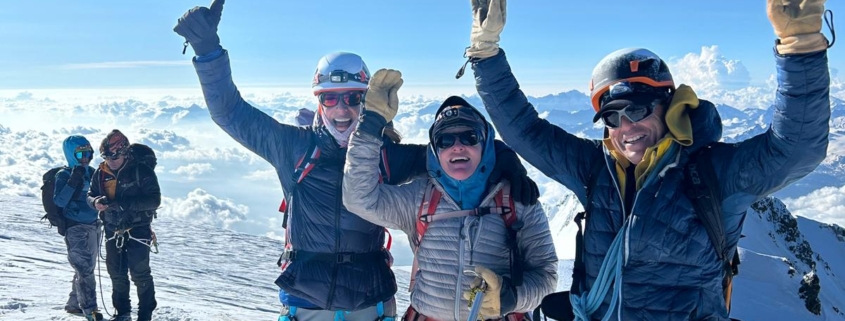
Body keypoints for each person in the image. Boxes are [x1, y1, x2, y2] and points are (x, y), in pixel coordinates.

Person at [461, 0, 832, 320]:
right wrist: (485, 52)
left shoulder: (714, 173)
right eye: (612, 117)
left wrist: (800, 47)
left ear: (668, 108)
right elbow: (524, 131)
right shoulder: (597, 168)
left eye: (637, 109)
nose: (626, 127)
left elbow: (796, 148)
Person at [173, 1, 539, 320]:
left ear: (366, 101)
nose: (343, 109)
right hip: (307, 300)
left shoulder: (386, 156)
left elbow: (453, 155)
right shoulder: (292, 147)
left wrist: (505, 158)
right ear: (318, 101)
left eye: (352, 97)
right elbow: (230, 113)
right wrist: (209, 52)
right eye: (331, 98)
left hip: (372, 300)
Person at [343, 68, 558, 321]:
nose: (458, 146)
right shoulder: (420, 198)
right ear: (435, 151)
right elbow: (359, 198)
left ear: (485, 145)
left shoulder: (518, 200)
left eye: (470, 136)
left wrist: (512, 297)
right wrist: (371, 124)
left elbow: (546, 275)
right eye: (445, 140)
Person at [87, 130, 161, 321]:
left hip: (138, 229)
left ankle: (145, 315)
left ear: (125, 152)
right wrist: (95, 202)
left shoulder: (141, 171)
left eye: (114, 155)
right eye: (106, 156)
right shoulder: (101, 173)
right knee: (116, 272)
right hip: (113, 229)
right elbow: (91, 194)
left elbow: (154, 200)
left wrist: (123, 205)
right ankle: (122, 313)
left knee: (139, 273)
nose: (110, 160)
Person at [54, 135, 103, 321]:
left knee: (86, 267)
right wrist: (73, 181)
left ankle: (74, 304)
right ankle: (90, 309)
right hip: (75, 228)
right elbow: (59, 201)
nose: (85, 157)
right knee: (84, 269)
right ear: (71, 154)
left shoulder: (92, 172)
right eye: (81, 153)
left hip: (93, 226)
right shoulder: (64, 175)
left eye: (88, 153)